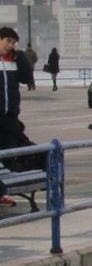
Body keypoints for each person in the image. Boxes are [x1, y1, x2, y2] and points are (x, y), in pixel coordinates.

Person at [0, 27, 40, 207]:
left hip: (10, 116)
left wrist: (22, 58)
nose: (11, 45)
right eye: (8, 41)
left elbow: (26, 79)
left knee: (7, 156)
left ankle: (2, 193)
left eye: (14, 43)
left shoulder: (14, 61)